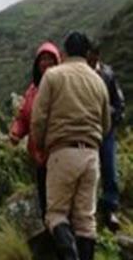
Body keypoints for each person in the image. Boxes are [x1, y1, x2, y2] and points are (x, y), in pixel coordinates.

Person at [32, 31, 111, 260]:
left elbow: (38, 118)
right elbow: (106, 125)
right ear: (87, 53)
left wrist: (42, 144)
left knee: (56, 215)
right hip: (91, 155)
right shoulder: (98, 81)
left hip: (62, 151)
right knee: (85, 221)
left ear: (64, 52)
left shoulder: (53, 76)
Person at [9, 41, 62, 216]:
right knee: (46, 202)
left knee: (60, 202)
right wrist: (16, 132)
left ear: (57, 62)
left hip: (59, 153)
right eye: (42, 59)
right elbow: (24, 117)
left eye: (50, 59)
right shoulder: (32, 91)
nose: (46, 63)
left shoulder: (64, 86)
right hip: (39, 157)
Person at [88, 43, 125, 231]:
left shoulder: (108, 74)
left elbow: (119, 102)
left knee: (109, 168)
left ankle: (110, 209)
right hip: (87, 130)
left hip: (107, 130)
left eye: (93, 55)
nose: (90, 59)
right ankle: (90, 211)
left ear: (97, 55)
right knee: (90, 171)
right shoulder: (81, 75)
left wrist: (112, 116)